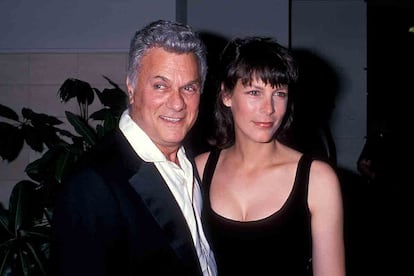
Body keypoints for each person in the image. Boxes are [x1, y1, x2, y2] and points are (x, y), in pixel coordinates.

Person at [51, 19, 217, 276]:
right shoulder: (92, 183)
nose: (177, 103)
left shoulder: (193, 162)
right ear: (131, 88)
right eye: (160, 86)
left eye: (189, 88)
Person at [195, 37, 345, 276]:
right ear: (226, 95)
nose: (269, 109)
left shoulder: (316, 179)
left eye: (279, 94)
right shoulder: (199, 170)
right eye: (255, 92)